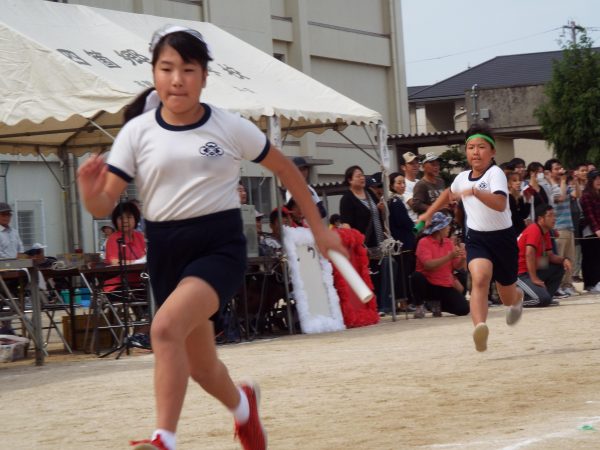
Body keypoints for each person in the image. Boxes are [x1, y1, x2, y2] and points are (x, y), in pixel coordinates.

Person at [77, 25, 345, 450]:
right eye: (166, 69)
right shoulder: (136, 133)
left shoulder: (229, 125)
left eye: (188, 68)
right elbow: (101, 206)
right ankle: (244, 409)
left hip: (217, 246)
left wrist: (319, 227)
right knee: (201, 366)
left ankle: (163, 439)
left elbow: (287, 171)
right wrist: (89, 189)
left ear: (204, 76)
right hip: (165, 249)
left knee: (163, 330)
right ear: (154, 74)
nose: (177, 78)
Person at [419, 123, 524, 352]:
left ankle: (517, 299)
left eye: (482, 147)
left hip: (503, 239)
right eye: (471, 147)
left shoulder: (495, 174)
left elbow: (500, 203)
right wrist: (428, 213)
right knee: (479, 278)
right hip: (477, 238)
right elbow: (449, 193)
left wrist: (475, 192)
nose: (475, 152)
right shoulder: (462, 177)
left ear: (493, 152)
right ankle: (480, 327)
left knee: (506, 296)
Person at [339, 165, 388, 314]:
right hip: (362, 243)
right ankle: (372, 305)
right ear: (349, 180)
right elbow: (347, 224)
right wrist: (354, 243)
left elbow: (378, 216)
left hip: (378, 240)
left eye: (362, 175)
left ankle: (382, 303)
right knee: (368, 273)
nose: (362, 178)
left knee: (382, 270)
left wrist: (381, 209)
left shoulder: (370, 194)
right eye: (358, 176)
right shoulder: (347, 199)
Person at [411, 212, 470, 318]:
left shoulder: (448, 242)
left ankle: (436, 304)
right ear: (439, 229)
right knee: (417, 277)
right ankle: (420, 305)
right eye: (446, 225)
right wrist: (449, 257)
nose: (449, 228)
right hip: (429, 283)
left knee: (464, 309)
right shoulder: (424, 242)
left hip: (444, 283)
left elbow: (456, 266)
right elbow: (428, 265)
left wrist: (462, 258)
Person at [516, 204, 571, 307]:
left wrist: (564, 260)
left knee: (559, 266)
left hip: (531, 267)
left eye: (554, 215)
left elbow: (550, 256)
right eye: (550, 215)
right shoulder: (534, 230)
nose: (554, 218)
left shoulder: (545, 232)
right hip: (519, 273)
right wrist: (534, 278)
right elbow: (529, 254)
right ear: (541, 219)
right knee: (541, 300)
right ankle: (516, 301)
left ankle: (546, 297)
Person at [103, 201, 147, 293]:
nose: (125, 221)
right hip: (117, 286)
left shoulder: (140, 237)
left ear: (136, 219)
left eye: (129, 217)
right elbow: (115, 262)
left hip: (139, 284)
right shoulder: (113, 239)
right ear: (115, 221)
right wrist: (136, 262)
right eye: (120, 218)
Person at [388, 171, 416, 310]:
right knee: (403, 273)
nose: (402, 185)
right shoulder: (395, 201)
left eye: (403, 182)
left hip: (404, 240)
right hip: (402, 242)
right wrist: (414, 225)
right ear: (392, 185)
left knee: (404, 272)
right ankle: (402, 302)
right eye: (398, 183)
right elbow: (403, 221)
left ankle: (404, 301)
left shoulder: (398, 200)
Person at [579, 170, 600, 293]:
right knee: (590, 258)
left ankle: (598, 282)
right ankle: (590, 283)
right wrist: (597, 230)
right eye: (596, 179)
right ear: (591, 181)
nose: (599, 181)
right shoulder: (586, 195)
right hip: (589, 232)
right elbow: (589, 215)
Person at [400, 151, 420, 223]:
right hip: (413, 225)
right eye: (411, 163)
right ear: (403, 167)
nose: (415, 165)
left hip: (425, 222)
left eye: (416, 162)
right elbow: (414, 205)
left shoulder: (419, 182)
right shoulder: (403, 184)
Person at [507, 171, 528, 236]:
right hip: (513, 231)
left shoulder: (519, 197)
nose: (518, 182)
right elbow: (515, 217)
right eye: (514, 181)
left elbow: (524, 215)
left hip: (521, 230)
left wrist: (528, 201)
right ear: (508, 183)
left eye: (519, 180)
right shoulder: (508, 197)